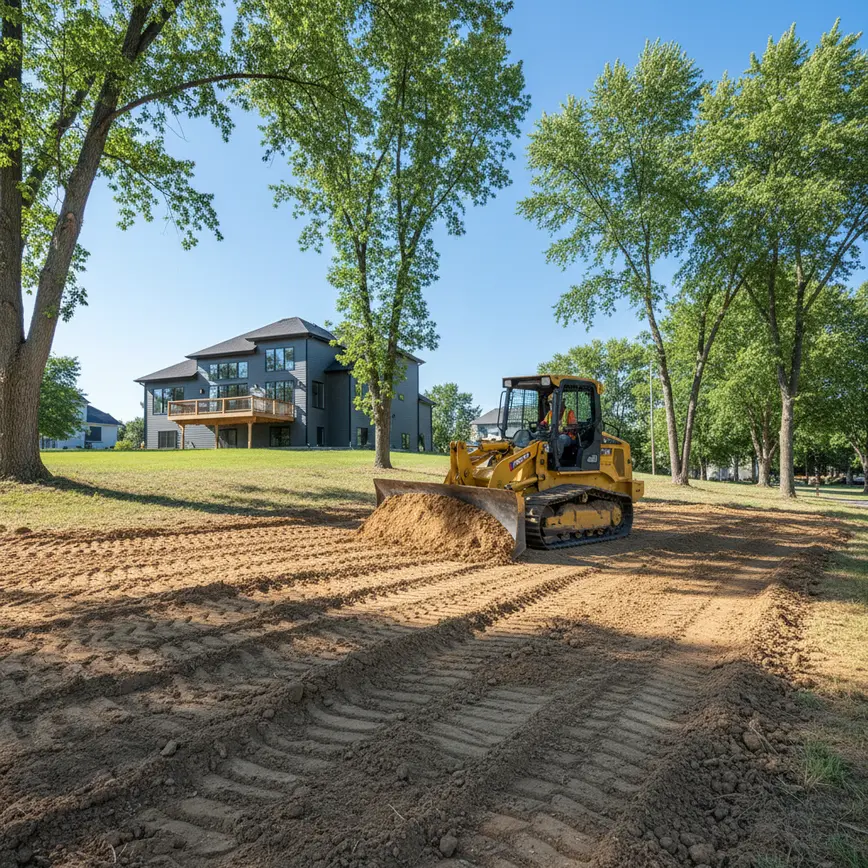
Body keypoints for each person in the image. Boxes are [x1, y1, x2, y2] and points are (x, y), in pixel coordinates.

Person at [541, 395, 578, 464]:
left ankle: (555, 461)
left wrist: (566, 428)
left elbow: (574, 426)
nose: (552, 405)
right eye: (551, 403)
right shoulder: (550, 413)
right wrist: (541, 426)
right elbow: (544, 422)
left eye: (554, 402)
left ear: (562, 403)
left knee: (559, 439)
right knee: (538, 436)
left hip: (568, 437)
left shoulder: (569, 412)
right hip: (552, 435)